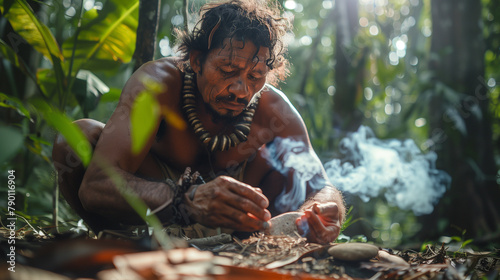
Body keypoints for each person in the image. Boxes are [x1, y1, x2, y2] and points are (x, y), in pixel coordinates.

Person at [52, 0, 345, 244]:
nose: (240, 90)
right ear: (195, 60)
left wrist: (320, 212)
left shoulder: (274, 111)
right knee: (76, 140)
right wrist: (187, 199)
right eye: (228, 70)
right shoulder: (158, 85)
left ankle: (246, 252)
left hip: (241, 236)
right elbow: (95, 186)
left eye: (254, 77)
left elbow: (323, 187)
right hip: (153, 215)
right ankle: (118, 244)